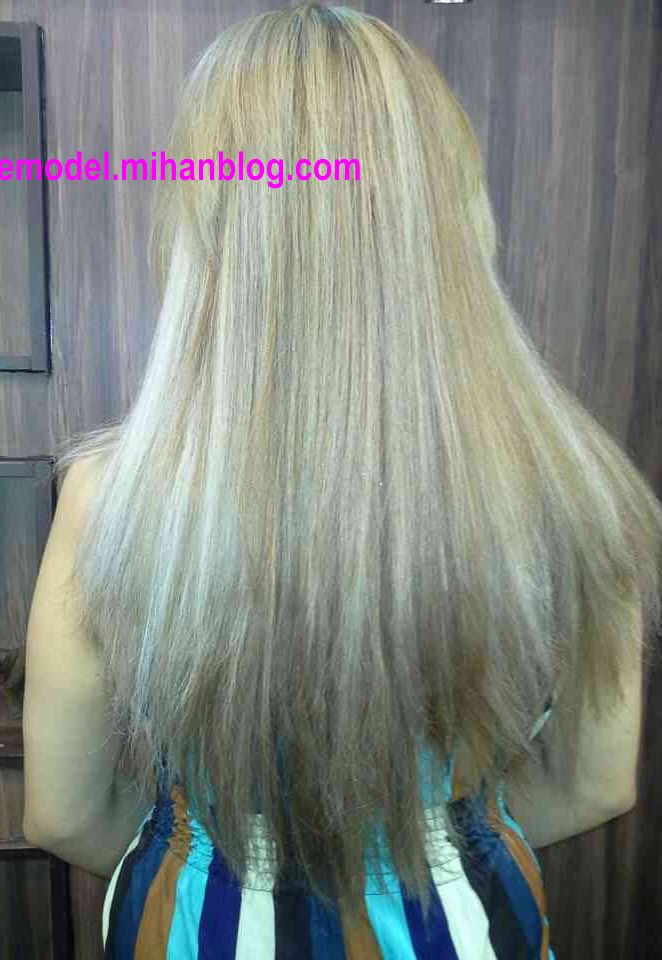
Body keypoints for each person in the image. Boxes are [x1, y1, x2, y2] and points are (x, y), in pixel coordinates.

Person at [52, 3, 662, 956]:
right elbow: (593, 785)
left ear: (210, 234)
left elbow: (66, 812)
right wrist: (428, 856)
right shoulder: (579, 501)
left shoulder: (110, 505)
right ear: (451, 216)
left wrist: (220, 865)